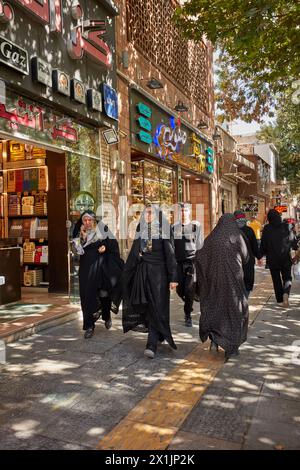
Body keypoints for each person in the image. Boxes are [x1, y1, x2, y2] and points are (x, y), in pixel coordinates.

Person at [122, 204, 178, 359]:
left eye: (150, 213)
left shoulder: (164, 230)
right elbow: (134, 250)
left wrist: (173, 278)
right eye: (145, 213)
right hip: (143, 274)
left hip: (159, 275)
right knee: (148, 306)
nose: (147, 215)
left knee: (156, 306)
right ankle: (158, 334)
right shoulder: (141, 230)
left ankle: (151, 345)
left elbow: (170, 255)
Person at [196, 213, 249, 362]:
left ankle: (214, 339)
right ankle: (231, 348)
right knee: (234, 310)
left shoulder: (212, 237)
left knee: (215, 308)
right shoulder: (237, 236)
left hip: (214, 282)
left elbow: (199, 256)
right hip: (234, 281)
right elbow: (245, 257)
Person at [72, 210, 124, 339]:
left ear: (94, 220)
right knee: (87, 295)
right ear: (82, 221)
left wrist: (105, 247)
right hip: (86, 267)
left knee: (104, 293)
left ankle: (106, 315)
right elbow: (77, 251)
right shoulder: (78, 232)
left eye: (90, 220)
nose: (88, 222)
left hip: (102, 266)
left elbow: (113, 244)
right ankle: (89, 326)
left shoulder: (102, 228)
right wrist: (83, 239)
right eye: (85, 220)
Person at [172, 203, 203, 326]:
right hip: (178, 263)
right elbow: (171, 246)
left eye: (185, 210)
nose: (183, 213)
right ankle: (188, 300)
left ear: (189, 212)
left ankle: (187, 314)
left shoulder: (195, 226)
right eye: (181, 211)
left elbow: (200, 245)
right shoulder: (174, 227)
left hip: (191, 262)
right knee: (180, 290)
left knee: (189, 289)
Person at [260, 209, 299, 307]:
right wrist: (295, 252)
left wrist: (260, 255)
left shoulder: (267, 228)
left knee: (276, 280)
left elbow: (263, 245)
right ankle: (286, 293)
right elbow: (294, 243)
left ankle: (280, 300)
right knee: (287, 278)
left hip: (272, 260)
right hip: (285, 258)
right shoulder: (287, 227)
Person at [234, 210, 262, 298]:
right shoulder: (249, 230)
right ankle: (244, 299)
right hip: (248, 261)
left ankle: (238, 301)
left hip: (234, 261)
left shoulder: (231, 231)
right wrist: (259, 257)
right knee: (248, 281)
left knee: (236, 282)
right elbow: (255, 247)